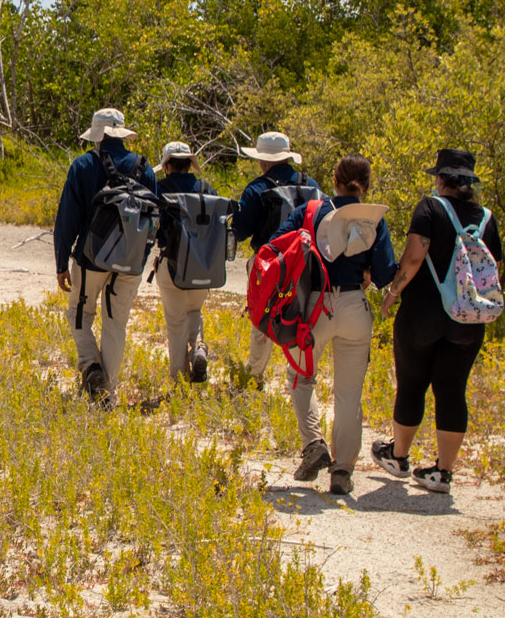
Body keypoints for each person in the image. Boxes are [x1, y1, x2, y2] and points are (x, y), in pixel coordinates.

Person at [372, 148, 503, 494]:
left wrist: (393, 292)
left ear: (441, 179)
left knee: (412, 383)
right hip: (468, 320)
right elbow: (493, 272)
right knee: (452, 390)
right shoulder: (488, 219)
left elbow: (415, 256)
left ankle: (398, 457)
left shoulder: (430, 207)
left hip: (422, 315)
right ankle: (442, 473)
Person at [271, 154, 397, 495]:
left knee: (300, 377)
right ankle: (342, 471)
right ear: (367, 185)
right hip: (356, 305)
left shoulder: (310, 211)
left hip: (316, 305)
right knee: (349, 394)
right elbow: (387, 272)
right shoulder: (373, 219)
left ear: (334, 179)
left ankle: (314, 442)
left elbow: (276, 246)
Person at [54, 108, 158, 407]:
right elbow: (153, 221)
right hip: (131, 262)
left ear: (97, 135)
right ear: (122, 134)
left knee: (79, 314)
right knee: (116, 323)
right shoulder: (145, 169)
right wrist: (140, 258)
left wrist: (62, 263)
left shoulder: (84, 165)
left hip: (91, 259)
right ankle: (106, 394)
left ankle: (91, 367)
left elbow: (67, 219)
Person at [233, 131, 322, 388]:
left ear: (263, 160)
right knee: (302, 314)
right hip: (307, 260)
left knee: (263, 315)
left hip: (269, 262)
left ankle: (255, 375)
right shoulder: (312, 184)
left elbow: (240, 231)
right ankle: (298, 373)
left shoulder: (258, 188)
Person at [152, 141, 217, 383]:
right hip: (202, 264)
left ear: (166, 165)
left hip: (172, 264)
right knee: (194, 310)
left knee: (176, 323)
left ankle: (178, 380)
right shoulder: (206, 189)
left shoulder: (160, 189)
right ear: (190, 164)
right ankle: (198, 348)